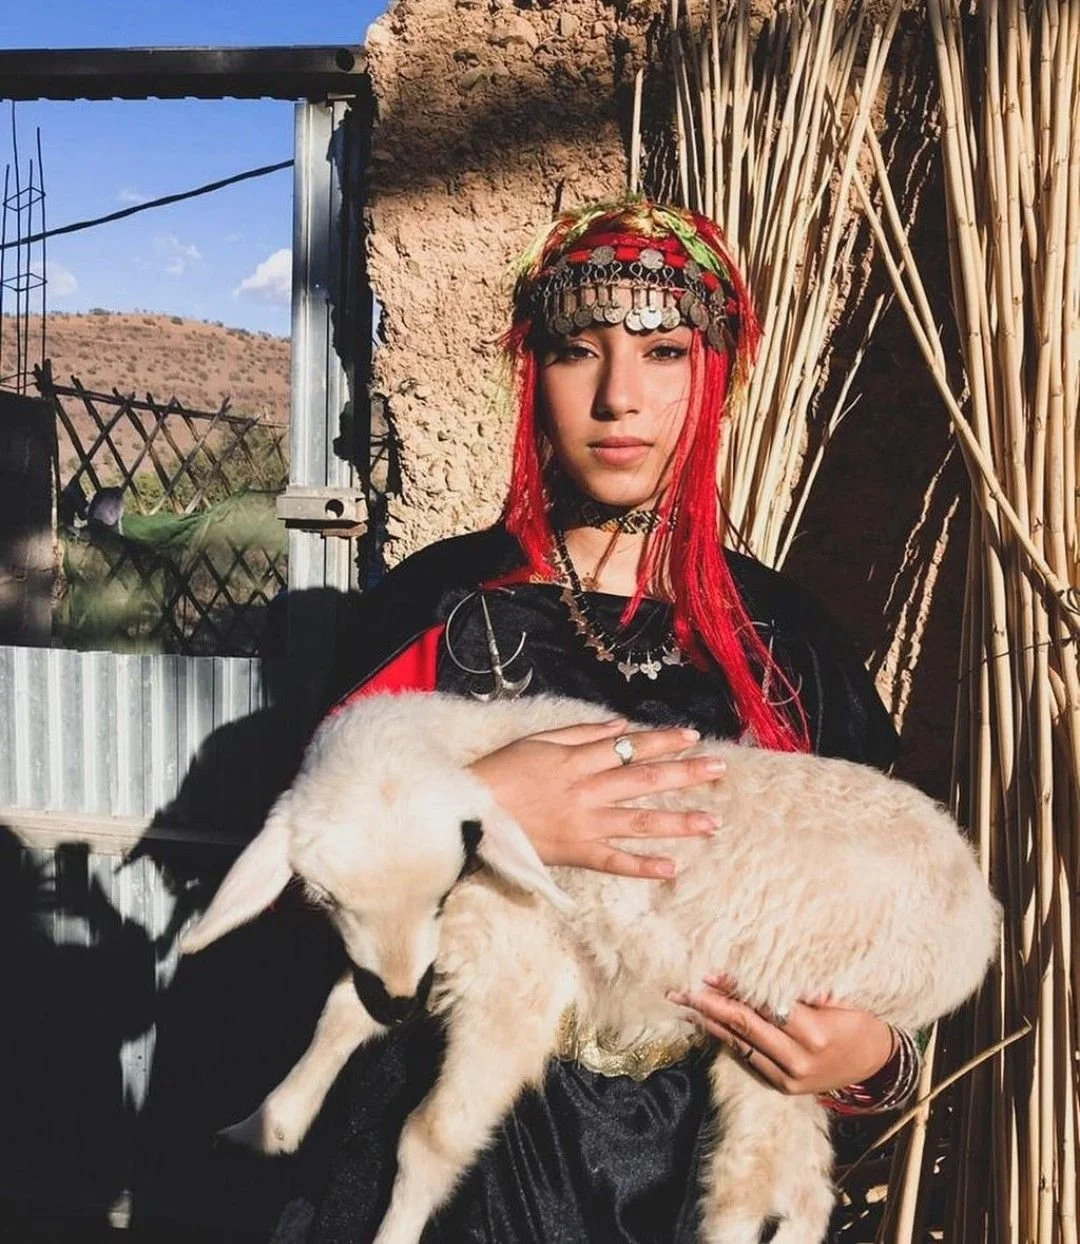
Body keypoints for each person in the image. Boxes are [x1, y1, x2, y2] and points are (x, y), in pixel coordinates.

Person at [306, 199, 919, 1243]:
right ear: (530, 372)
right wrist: (481, 809)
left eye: (665, 350)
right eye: (575, 351)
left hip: (701, 1176)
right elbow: (302, 891)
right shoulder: (439, 615)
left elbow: (893, 930)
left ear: (712, 374)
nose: (619, 397)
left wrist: (870, 1056)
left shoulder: (792, 652)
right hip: (462, 1171)